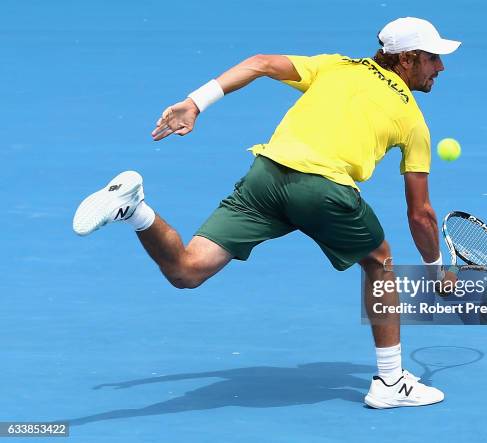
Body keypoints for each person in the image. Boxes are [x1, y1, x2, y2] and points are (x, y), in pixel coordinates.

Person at [73, 17, 460, 409]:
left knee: (186, 271)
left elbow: (259, 62)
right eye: (433, 58)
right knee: (379, 262)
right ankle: (392, 381)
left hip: (266, 177)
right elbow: (421, 214)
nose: (440, 68)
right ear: (407, 59)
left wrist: (194, 103)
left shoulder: (335, 66)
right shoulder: (413, 119)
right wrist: (437, 272)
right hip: (324, 190)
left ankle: (135, 211)